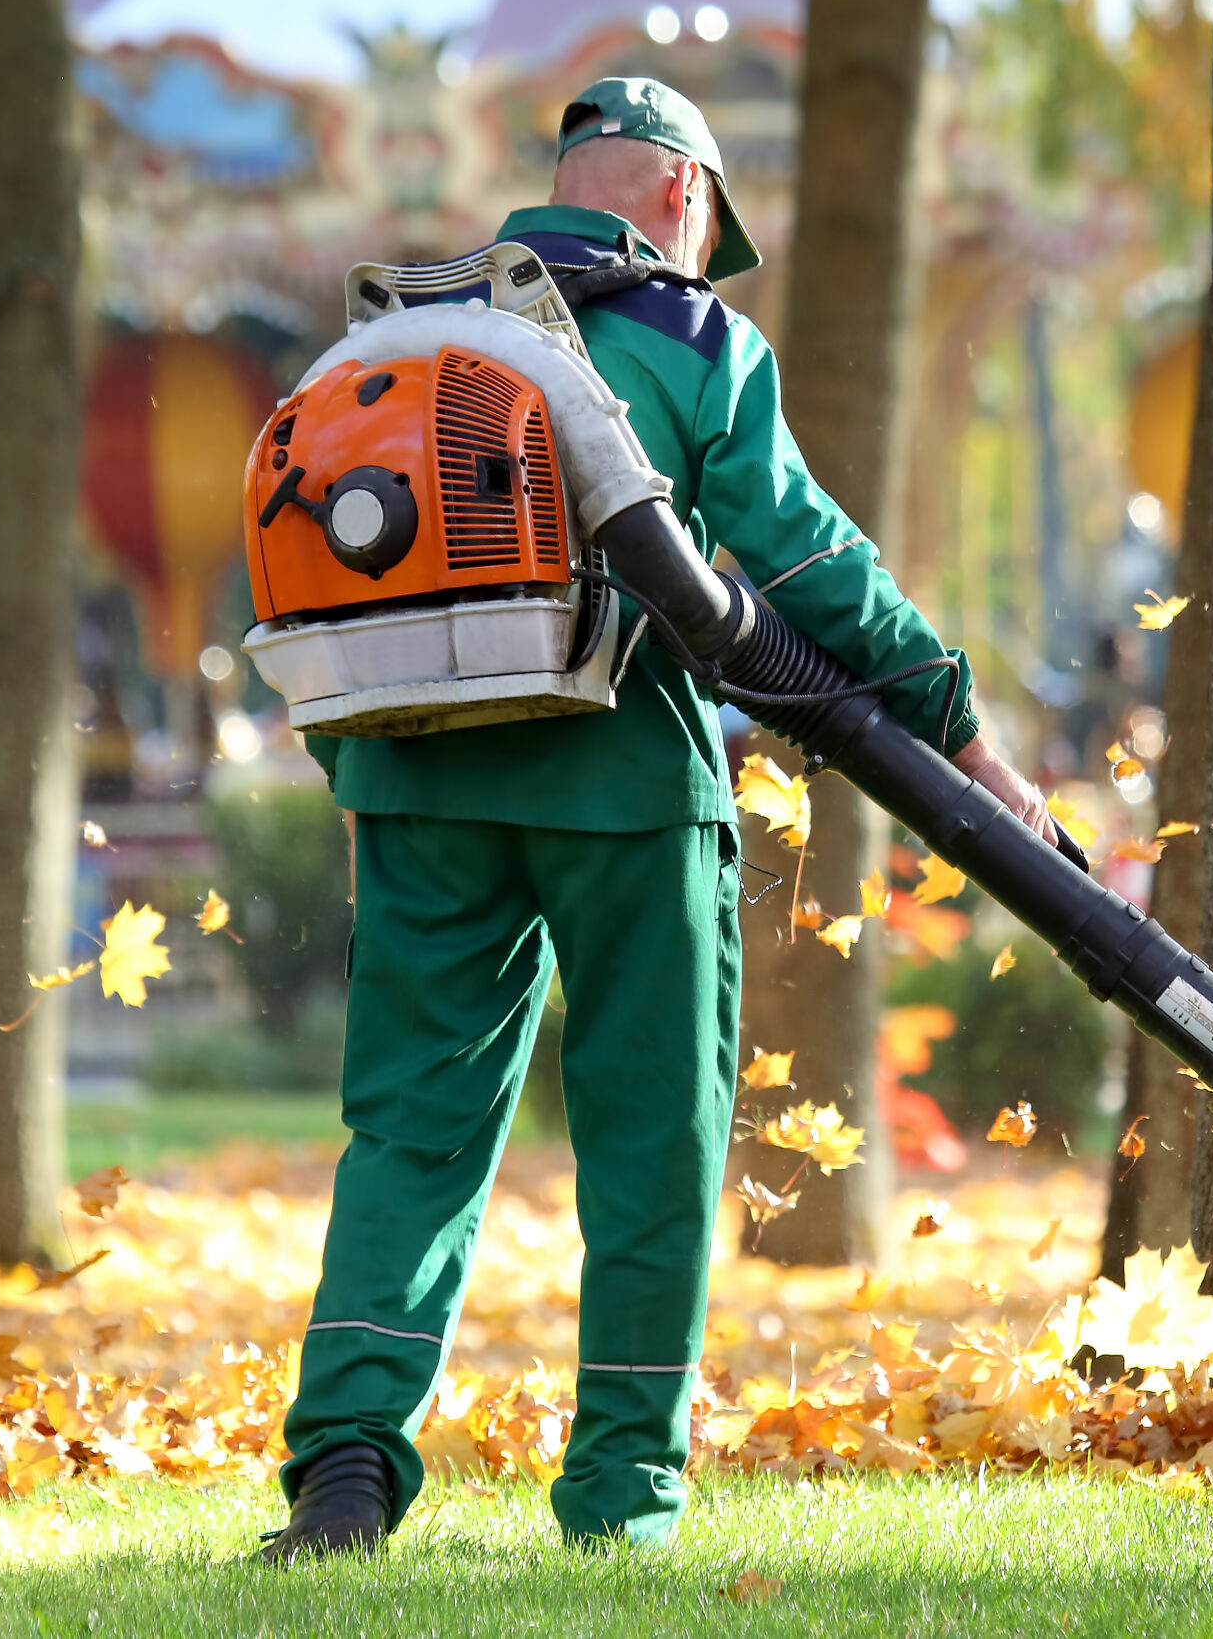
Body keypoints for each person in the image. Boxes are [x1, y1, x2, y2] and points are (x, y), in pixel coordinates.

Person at [262, 77, 1055, 1559]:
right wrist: (967, 741)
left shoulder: (393, 340)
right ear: (685, 197)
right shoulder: (690, 337)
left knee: (410, 1138)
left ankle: (347, 1468)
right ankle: (623, 1493)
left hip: (415, 786)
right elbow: (809, 571)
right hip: (623, 787)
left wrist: (376, 774)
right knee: (653, 1142)